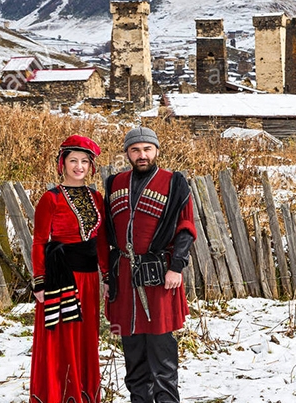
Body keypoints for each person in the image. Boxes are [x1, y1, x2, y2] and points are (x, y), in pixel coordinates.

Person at [98, 126, 196, 403]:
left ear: (156, 151)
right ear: (127, 153)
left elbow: (185, 227)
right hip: (124, 277)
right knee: (132, 347)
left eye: (147, 149)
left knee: (161, 347)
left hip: (160, 274)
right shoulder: (114, 183)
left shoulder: (174, 182)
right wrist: (108, 277)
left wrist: (176, 266)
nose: (142, 155)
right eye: (135, 150)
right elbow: (106, 233)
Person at [29, 135, 106, 403]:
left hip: (89, 279)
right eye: (73, 160)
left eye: (85, 161)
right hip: (60, 278)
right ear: (62, 163)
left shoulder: (97, 197)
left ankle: (83, 393)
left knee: (85, 337)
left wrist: (106, 276)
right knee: (60, 337)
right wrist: (39, 282)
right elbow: (39, 240)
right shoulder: (50, 198)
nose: (79, 166)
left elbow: (102, 242)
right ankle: (57, 395)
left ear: (92, 166)